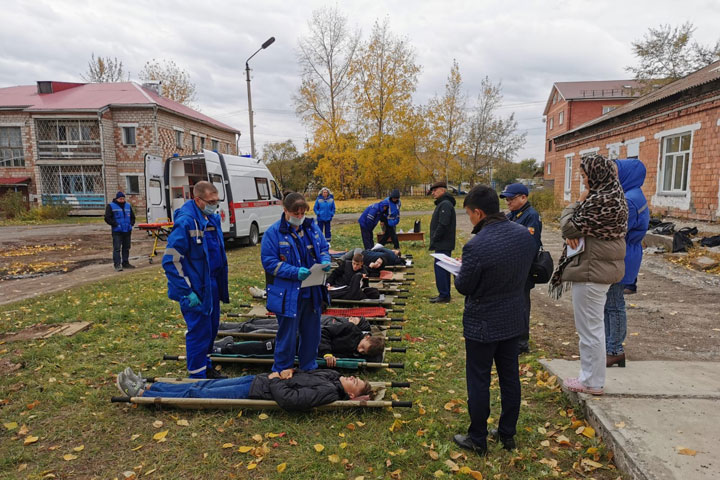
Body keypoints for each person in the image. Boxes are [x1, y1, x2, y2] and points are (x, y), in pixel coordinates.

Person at [452, 185, 536, 455]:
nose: (469, 220)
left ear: (478, 213)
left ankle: (477, 437)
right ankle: (507, 433)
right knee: (510, 376)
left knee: (478, 379)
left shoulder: (476, 245)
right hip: (513, 318)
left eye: (468, 215)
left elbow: (465, 286)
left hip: (483, 323)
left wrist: (459, 270)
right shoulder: (523, 235)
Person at [549, 154, 627, 396]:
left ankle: (592, 381)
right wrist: (574, 226)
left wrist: (576, 203)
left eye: (584, 176)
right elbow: (573, 229)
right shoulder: (614, 197)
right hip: (598, 269)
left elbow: (567, 226)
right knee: (592, 327)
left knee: (590, 329)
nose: (583, 182)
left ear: (597, 175)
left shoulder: (600, 201)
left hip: (592, 271)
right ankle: (591, 378)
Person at [162, 181, 229, 379]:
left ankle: (205, 365)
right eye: (211, 201)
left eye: (217, 201)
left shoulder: (210, 219)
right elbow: (171, 260)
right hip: (196, 288)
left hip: (211, 284)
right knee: (199, 331)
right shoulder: (186, 222)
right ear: (198, 200)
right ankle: (197, 376)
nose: (215, 204)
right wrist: (186, 291)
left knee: (211, 328)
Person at [261, 192, 332, 377]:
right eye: (296, 213)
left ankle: (308, 367)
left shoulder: (312, 228)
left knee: (312, 333)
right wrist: (294, 272)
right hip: (288, 294)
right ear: (285, 210)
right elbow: (269, 262)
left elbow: (323, 247)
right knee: (288, 335)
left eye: (303, 213)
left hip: (312, 291)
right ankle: (282, 369)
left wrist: (324, 260)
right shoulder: (273, 233)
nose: (299, 217)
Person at [116, 367, 371, 411]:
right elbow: (304, 374)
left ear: (350, 395)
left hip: (258, 391)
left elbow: (291, 400)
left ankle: (141, 395)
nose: (351, 377)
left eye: (355, 382)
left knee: (198, 394)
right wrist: (290, 372)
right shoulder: (332, 378)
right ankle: (149, 384)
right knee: (202, 384)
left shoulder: (328, 394)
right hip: (258, 380)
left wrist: (276, 380)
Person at [604, 159, 650, 368]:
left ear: (627, 174)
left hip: (623, 255)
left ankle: (615, 350)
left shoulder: (630, 200)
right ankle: (610, 347)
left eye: (615, 172)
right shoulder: (631, 195)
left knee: (614, 304)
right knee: (610, 303)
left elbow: (615, 230)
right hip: (625, 253)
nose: (612, 176)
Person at [213, 316, 385, 364]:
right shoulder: (350, 329)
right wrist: (327, 353)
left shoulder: (361, 352)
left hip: (304, 354)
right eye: (363, 347)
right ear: (366, 336)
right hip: (300, 340)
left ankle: (227, 346)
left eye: (363, 352)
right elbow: (322, 332)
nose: (359, 351)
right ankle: (226, 348)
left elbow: (377, 358)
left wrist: (370, 351)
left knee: (263, 347)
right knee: (262, 347)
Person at [500, 183, 543, 354]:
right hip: (512, 267)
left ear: (523, 198)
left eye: (511, 198)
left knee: (522, 304)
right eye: (506, 199)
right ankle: (512, 337)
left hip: (522, 268)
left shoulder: (530, 216)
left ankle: (521, 342)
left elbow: (530, 245)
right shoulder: (514, 215)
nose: (508, 202)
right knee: (512, 303)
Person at [428, 181, 456, 303]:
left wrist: (435, 237)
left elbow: (443, 224)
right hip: (443, 242)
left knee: (441, 268)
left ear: (443, 190)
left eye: (435, 190)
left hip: (443, 243)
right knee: (442, 268)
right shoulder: (443, 203)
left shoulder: (445, 204)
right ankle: (444, 293)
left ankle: (444, 295)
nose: (433, 193)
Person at [104, 191, 136, 271]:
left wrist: (131, 224)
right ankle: (117, 265)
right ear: (117, 198)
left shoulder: (128, 206)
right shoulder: (111, 206)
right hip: (117, 231)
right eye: (120, 199)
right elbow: (107, 218)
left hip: (127, 230)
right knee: (117, 248)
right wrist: (115, 224)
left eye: (123, 198)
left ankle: (125, 263)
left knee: (126, 247)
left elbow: (133, 217)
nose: (122, 200)